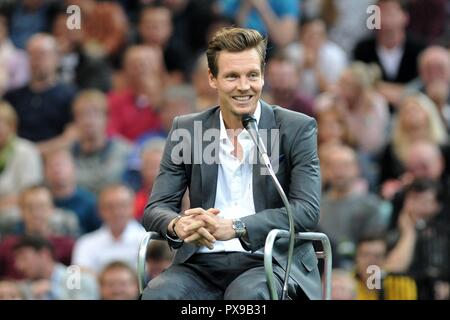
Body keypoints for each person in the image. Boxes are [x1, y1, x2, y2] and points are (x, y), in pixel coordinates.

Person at [142, 27, 321, 300]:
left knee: (244, 299)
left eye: (252, 75)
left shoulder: (295, 127)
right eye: (232, 76)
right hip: (201, 264)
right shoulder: (188, 130)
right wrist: (178, 225)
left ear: (263, 75)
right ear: (212, 79)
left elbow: (306, 211)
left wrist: (237, 227)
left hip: (270, 260)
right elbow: (156, 208)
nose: (244, 86)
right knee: (159, 295)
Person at [13, 235, 98, 300]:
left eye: (24, 258)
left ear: (44, 254)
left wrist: (54, 291)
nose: (19, 266)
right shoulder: (22, 288)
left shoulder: (81, 280)